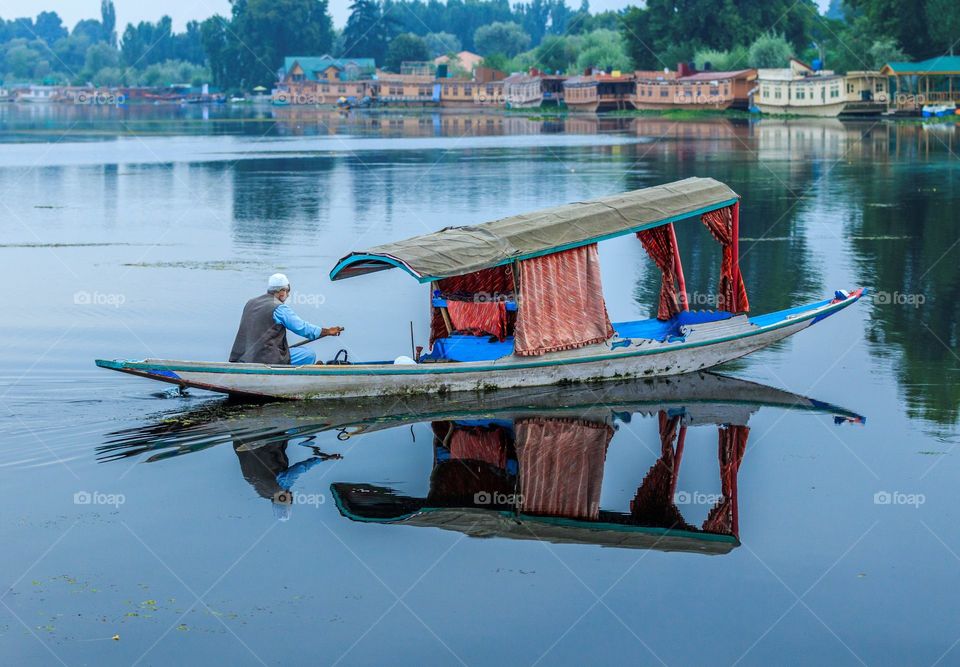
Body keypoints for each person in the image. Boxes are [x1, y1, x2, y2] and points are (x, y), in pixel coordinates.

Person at [230, 273, 343, 366]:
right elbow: (303, 328)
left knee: (289, 351)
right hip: (265, 359)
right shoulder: (279, 308)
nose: (288, 295)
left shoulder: (250, 303)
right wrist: (327, 331)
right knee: (309, 354)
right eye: (288, 291)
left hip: (244, 357)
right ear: (282, 291)